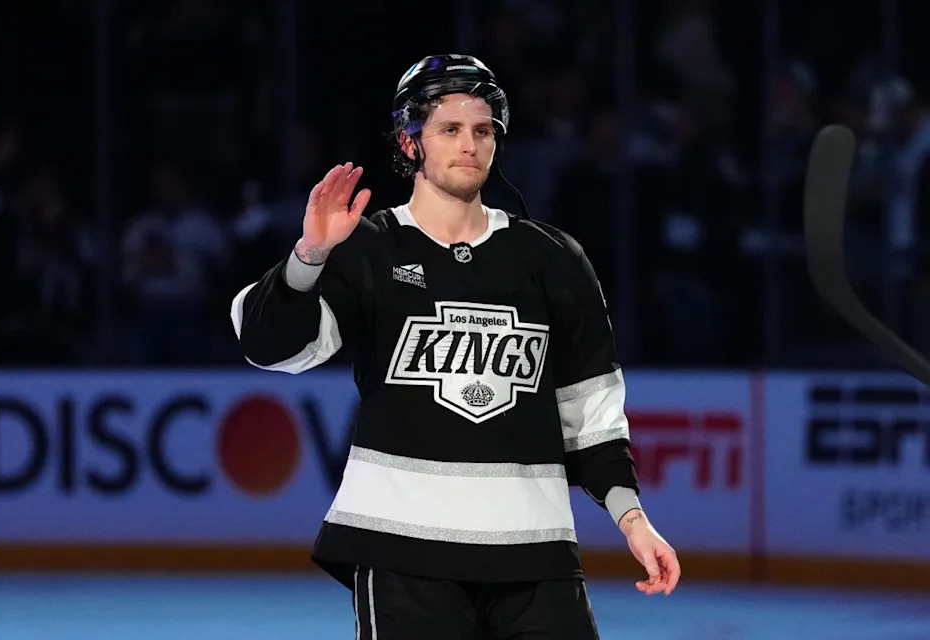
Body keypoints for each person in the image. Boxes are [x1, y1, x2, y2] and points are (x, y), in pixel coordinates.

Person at [231, 54, 680, 639]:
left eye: (483, 129)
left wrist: (633, 519)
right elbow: (271, 348)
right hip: (402, 551)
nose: (470, 144)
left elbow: (590, 409)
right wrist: (309, 256)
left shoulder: (552, 258)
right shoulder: (367, 247)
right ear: (410, 142)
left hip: (534, 549)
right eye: (450, 129)